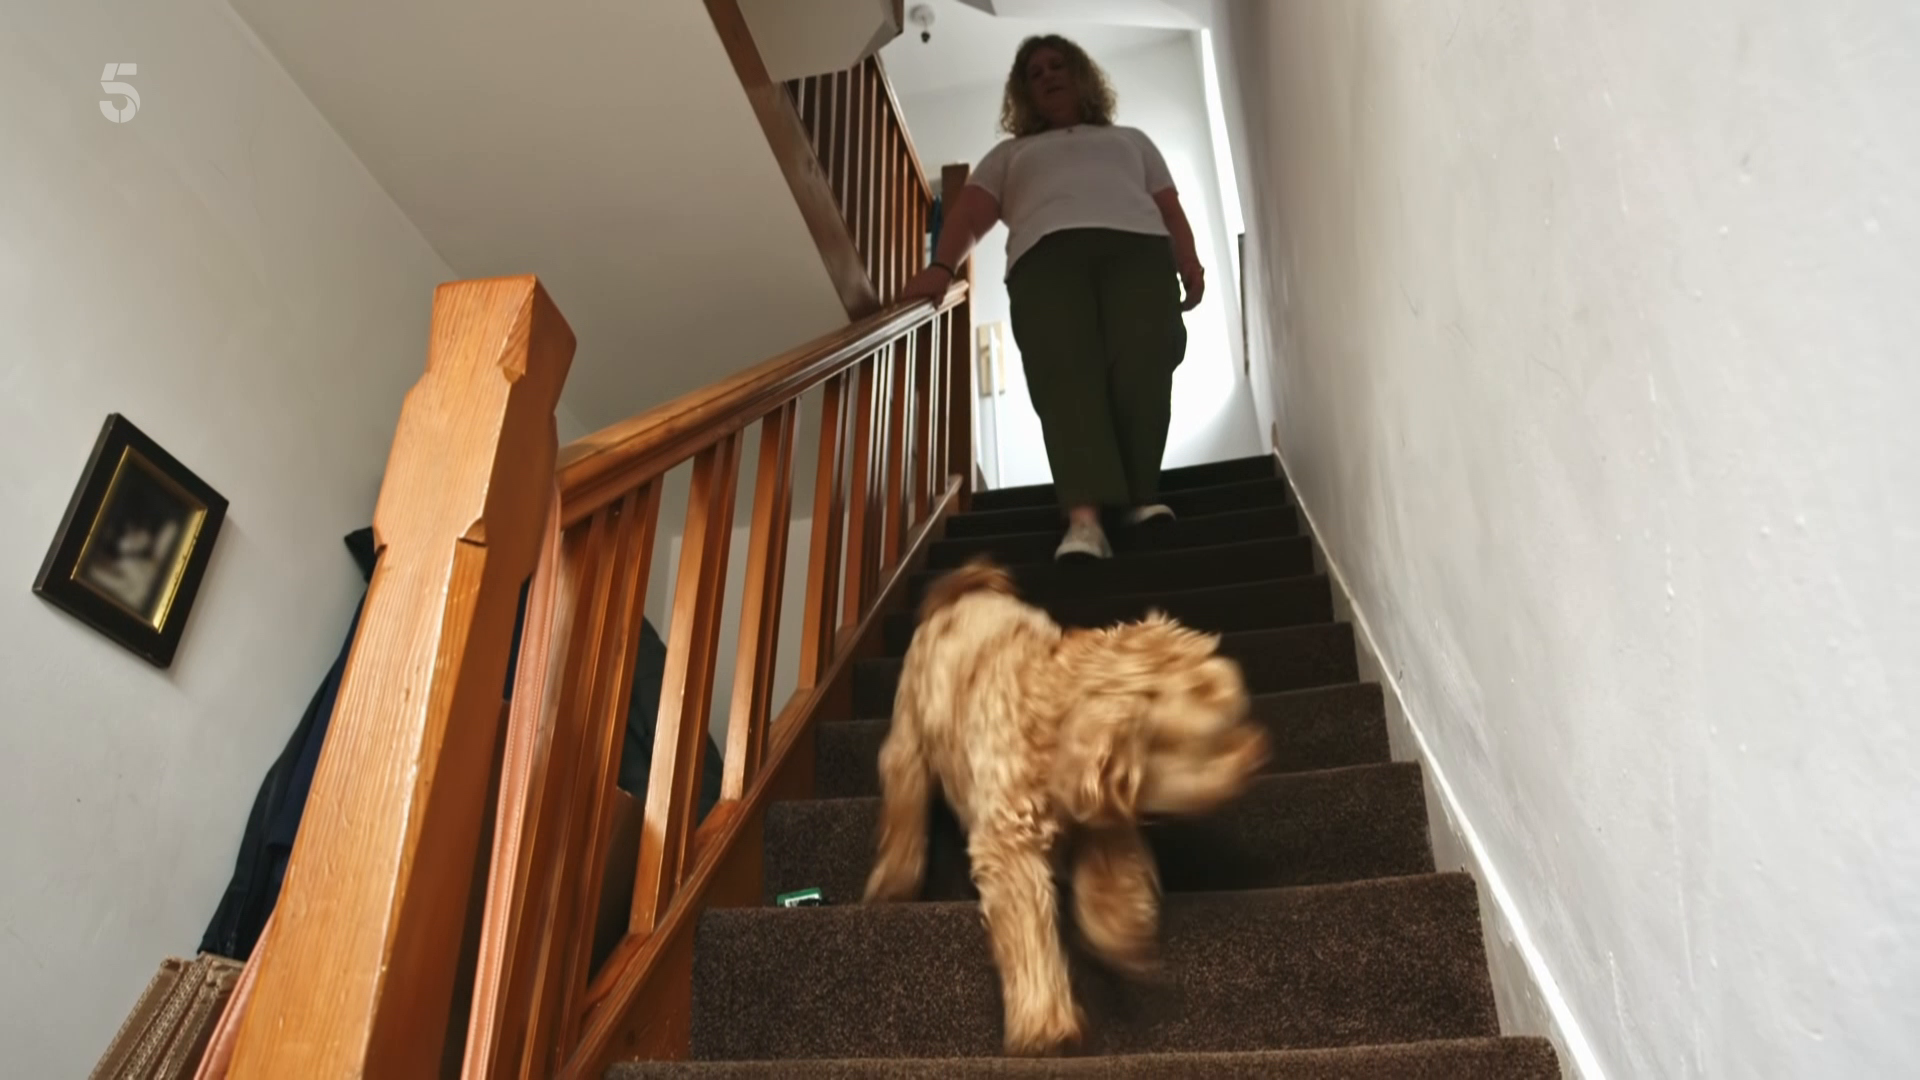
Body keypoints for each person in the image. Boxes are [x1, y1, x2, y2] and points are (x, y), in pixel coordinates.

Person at [903, 34, 1205, 561]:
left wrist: (1190, 261)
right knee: (1065, 375)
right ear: (1025, 93)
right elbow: (970, 213)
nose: (1047, 76)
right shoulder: (1011, 154)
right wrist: (940, 267)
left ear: (1080, 74)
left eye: (1056, 65)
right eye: (1035, 73)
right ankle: (1085, 522)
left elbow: (1169, 206)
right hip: (1044, 261)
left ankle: (1140, 497)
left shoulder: (1131, 141)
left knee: (1146, 358)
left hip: (1139, 252)